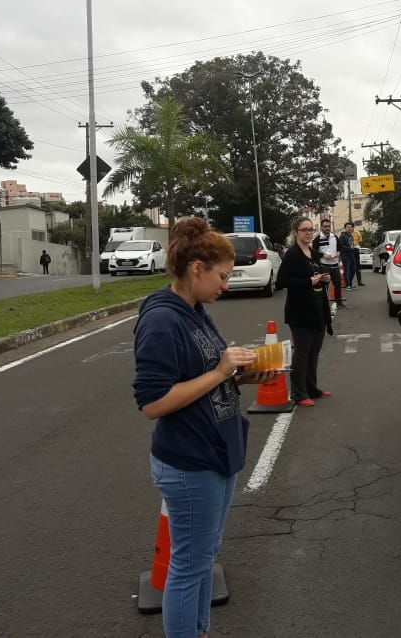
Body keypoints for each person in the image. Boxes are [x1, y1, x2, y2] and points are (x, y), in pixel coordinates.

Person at [132, 217, 272, 638]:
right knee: (189, 566)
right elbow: (153, 402)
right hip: (190, 461)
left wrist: (242, 376)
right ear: (197, 268)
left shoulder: (193, 311)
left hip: (215, 452)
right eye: (222, 276)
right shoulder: (163, 320)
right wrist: (221, 372)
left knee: (203, 559)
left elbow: (205, 375)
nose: (226, 285)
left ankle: (199, 629)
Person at [275, 217, 333, 407]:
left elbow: (315, 276)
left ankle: (312, 388)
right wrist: (309, 281)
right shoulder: (292, 254)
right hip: (300, 311)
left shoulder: (314, 254)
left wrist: (323, 279)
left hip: (318, 308)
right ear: (296, 232)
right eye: (305, 230)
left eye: (311, 230)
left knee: (314, 351)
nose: (309, 233)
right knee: (302, 352)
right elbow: (281, 281)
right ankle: (299, 394)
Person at [314, 217, 345, 308]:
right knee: (324, 286)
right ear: (321, 227)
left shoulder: (334, 237)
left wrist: (338, 253)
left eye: (328, 226)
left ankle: (339, 303)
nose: (327, 228)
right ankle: (323, 305)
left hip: (335, 265)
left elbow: (340, 248)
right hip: (324, 266)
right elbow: (314, 251)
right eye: (325, 226)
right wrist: (323, 255)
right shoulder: (318, 238)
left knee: (338, 284)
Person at [338, 222, 357, 289]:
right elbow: (340, 246)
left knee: (353, 269)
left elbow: (351, 244)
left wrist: (354, 247)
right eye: (348, 227)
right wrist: (349, 248)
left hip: (351, 254)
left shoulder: (351, 235)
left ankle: (350, 283)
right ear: (345, 228)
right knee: (347, 270)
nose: (350, 228)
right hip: (345, 255)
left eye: (351, 227)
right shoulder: (342, 236)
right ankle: (347, 284)